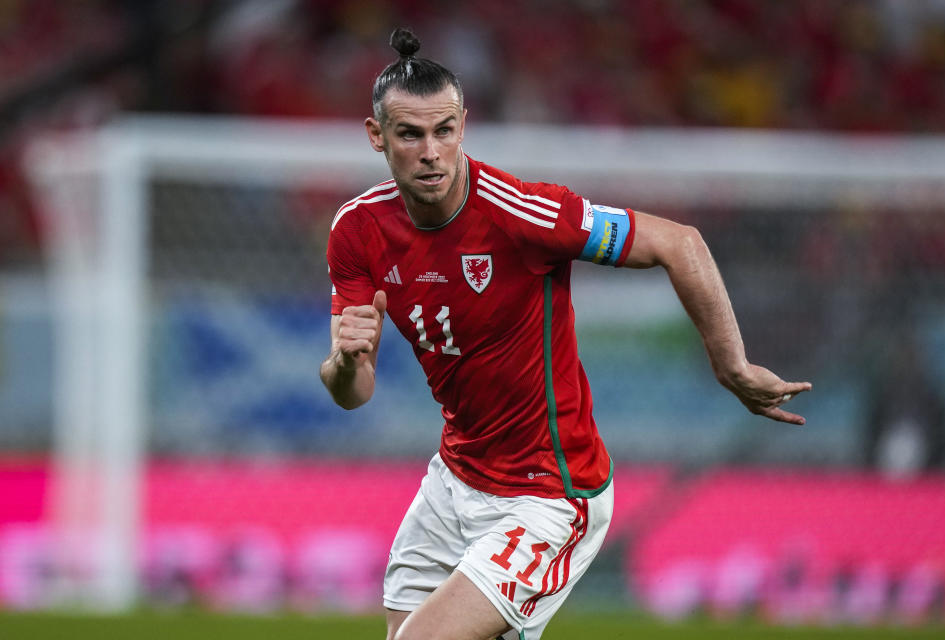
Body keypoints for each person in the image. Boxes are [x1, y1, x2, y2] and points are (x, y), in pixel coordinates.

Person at [321, 28, 812, 640]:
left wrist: (731, 364)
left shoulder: (523, 214)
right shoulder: (357, 231)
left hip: (550, 493)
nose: (430, 152)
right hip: (454, 480)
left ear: (464, 127)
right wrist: (345, 360)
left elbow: (678, 242)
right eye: (410, 134)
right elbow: (353, 390)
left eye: (443, 131)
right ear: (377, 137)